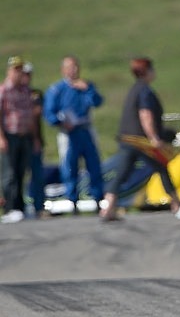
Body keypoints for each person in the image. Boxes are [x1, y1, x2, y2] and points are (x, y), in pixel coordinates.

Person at [101, 57, 180, 221]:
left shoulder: (134, 89)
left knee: (122, 173)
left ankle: (108, 206)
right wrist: (154, 138)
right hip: (141, 141)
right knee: (161, 166)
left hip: (127, 139)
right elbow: (146, 114)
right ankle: (176, 203)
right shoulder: (145, 91)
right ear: (147, 72)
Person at [43, 55, 104, 213]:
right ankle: (72, 199)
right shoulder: (57, 89)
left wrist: (88, 89)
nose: (74, 70)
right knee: (69, 165)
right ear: (63, 70)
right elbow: (49, 112)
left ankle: (98, 196)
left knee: (94, 164)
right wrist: (61, 122)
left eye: (76, 67)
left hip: (85, 129)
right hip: (68, 132)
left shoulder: (84, 86)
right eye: (70, 67)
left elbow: (97, 101)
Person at [0, 56, 40, 223]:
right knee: (9, 174)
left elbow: (30, 115)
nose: (18, 73)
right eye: (15, 70)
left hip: (25, 135)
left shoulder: (25, 91)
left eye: (20, 70)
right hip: (9, 135)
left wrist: (35, 138)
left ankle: (20, 206)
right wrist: (1, 138)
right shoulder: (4, 90)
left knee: (20, 172)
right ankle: (10, 208)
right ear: (9, 71)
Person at [21, 62, 46, 217]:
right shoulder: (11, 93)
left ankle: (38, 206)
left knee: (37, 174)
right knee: (17, 174)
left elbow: (36, 112)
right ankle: (18, 206)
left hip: (34, 139)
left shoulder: (35, 94)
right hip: (18, 139)